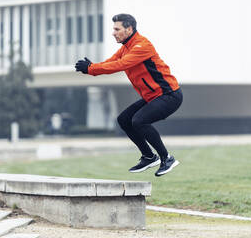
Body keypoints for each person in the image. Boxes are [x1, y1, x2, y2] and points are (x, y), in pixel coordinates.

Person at [75, 13, 183, 176]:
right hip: (153, 96)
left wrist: (91, 68)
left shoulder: (142, 46)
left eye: (117, 29)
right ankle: (148, 157)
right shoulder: (126, 48)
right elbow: (110, 62)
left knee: (139, 120)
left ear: (129, 29)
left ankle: (166, 158)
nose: (113, 33)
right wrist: (92, 67)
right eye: (114, 29)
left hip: (169, 95)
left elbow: (120, 65)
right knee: (124, 120)